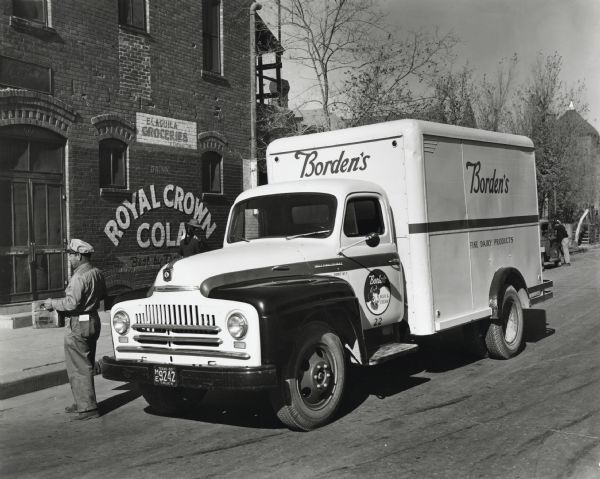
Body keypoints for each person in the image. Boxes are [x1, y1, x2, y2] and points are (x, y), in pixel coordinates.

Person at [43, 239, 106, 420]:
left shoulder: (79, 277)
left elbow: (71, 304)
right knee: (86, 362)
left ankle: (87, 408)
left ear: (79, 255)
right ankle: (82, 402)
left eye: (71, 255)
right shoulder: (96, 272)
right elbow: (103, 296)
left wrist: (52, 303)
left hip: (78, 322)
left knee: (78, 366)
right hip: (92, 319)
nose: (69, 259)